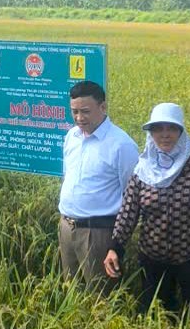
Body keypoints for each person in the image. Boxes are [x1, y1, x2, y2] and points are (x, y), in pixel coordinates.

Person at [103, 103, 190, 314]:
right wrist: (115, 247)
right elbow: (128, 212)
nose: (165, 135)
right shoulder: (143, 167)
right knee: (156, 317)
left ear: (181, 131)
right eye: (158, 129)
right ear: (151, 133)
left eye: (171, 128)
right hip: (153, 260)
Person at [58, 80, 139, 291]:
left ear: (103, 107)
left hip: (99, 233)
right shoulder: (71, 137)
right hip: (67, 226)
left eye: (85, 111)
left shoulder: (121, 145)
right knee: (71, 290)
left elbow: (131, 195)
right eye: (74, 111)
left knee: (100, 296)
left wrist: (118, 242)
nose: (79, 118)